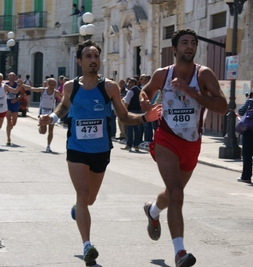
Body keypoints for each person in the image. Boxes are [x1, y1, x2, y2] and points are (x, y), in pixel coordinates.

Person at [38, 40, 160, 266]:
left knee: (89, 199)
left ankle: (78, 209)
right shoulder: (70, 87)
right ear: (79, 61)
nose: (93, 60)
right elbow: (64, 107)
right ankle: (87, 246)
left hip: (101, 150)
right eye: (88, 56)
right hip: (76, 148)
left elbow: (123, 117)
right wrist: (52, 118)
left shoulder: (109, 87)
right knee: (83, 194)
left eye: (96, 56)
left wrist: (145, 118)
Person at [140, 29, 227, 267]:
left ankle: (153, 211)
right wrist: (145, 103)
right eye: (185, 43)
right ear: (175, 49)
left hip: (192, 143)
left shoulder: (203, 74)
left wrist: (191, 92)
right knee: (177, 193)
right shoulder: (162, 74)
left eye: (193, 43)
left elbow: (222, 106)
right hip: (166, 139)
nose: (190, 46)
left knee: (172, 193)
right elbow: (145, 92)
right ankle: (180, 252)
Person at [19, 77, 62, 152]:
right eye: (51, 84)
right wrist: (22, 85)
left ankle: (48, 146)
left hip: (51, 113)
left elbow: (63, 99)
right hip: (42, 112)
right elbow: (32, 88)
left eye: (54, 84)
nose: (53, 86)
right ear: (48, 84)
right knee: (43, 131)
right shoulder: (43, 90)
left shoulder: (56, 92)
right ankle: (41, 128)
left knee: (51, 130)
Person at [121, 78, 142, 151]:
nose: (128, 84)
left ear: (133, 83)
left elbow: (127, 102)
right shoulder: (140, 90)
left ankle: (129, 145)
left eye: (129, 83)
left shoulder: (131, 91)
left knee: (129, 128)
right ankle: (136, 145)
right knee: (137, 129)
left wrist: (124, 112)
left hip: (131, 111)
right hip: (139, 111)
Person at [5, 72, 23, 146]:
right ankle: (8, 138)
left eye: (13, 76)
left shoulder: (17, 85)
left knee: (14, 123)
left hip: (15, 104)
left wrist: (16, 99)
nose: (11, 77)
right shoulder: (6, 85)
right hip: (7, 104)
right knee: (8, 121)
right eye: (10, 76)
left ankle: (11, 126)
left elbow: (22, 94)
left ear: (15, 77)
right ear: (8, 77)